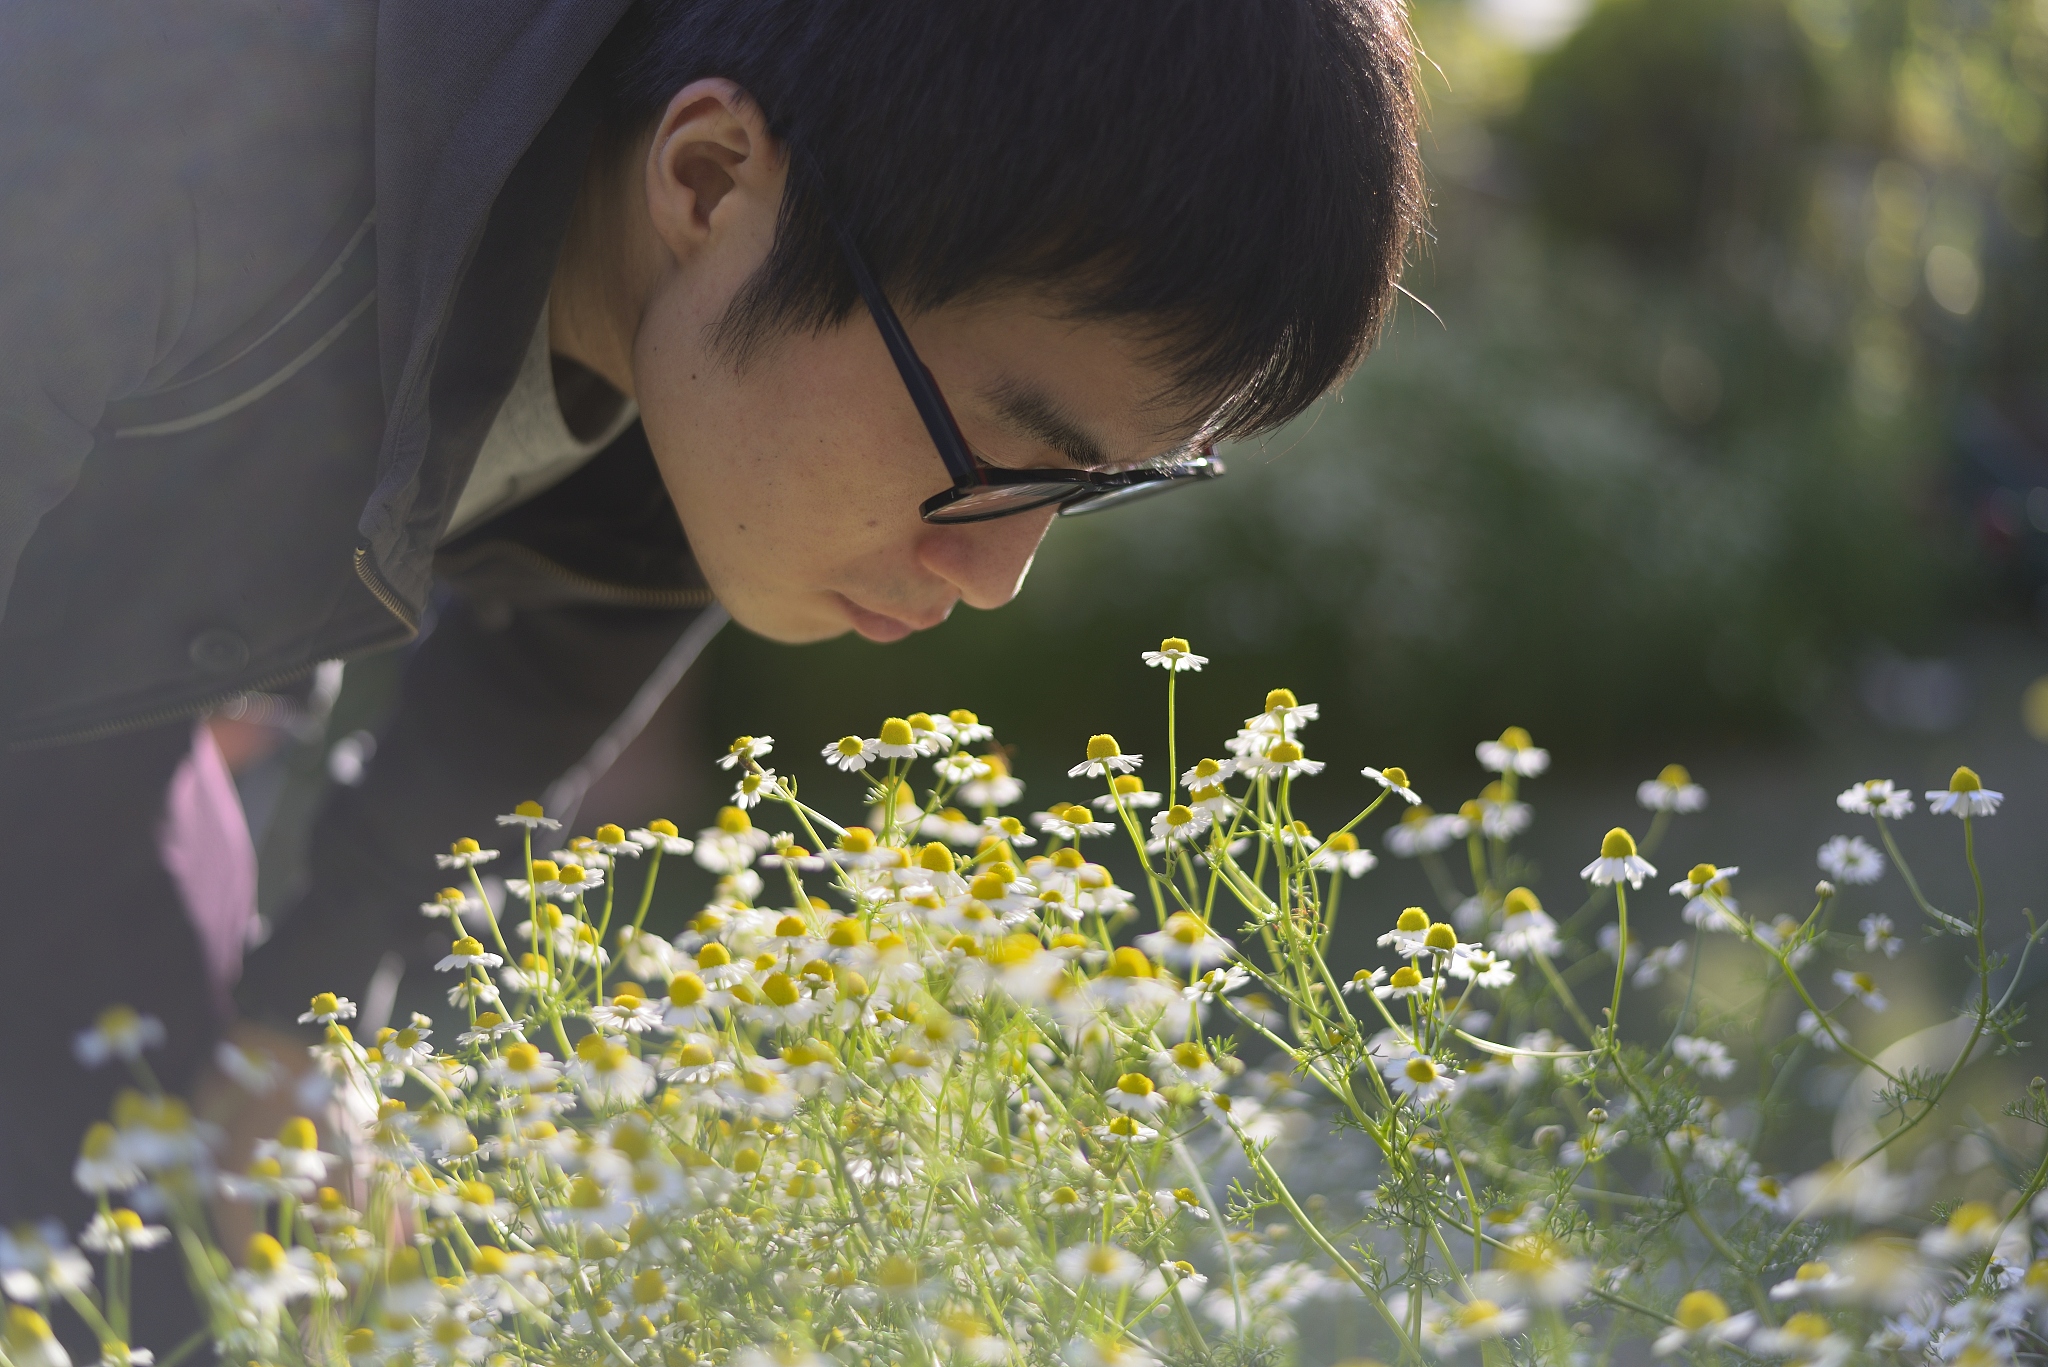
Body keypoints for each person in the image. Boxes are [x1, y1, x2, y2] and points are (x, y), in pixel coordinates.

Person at [0, 0, 1420, 1347]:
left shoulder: (717, 398)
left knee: (159, 1265)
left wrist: (300, 1022)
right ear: (710, 176)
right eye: (998, 450)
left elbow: (533, 683)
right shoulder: (160, 116)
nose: (995, 576)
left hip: (110, 707)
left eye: (1089, 487)